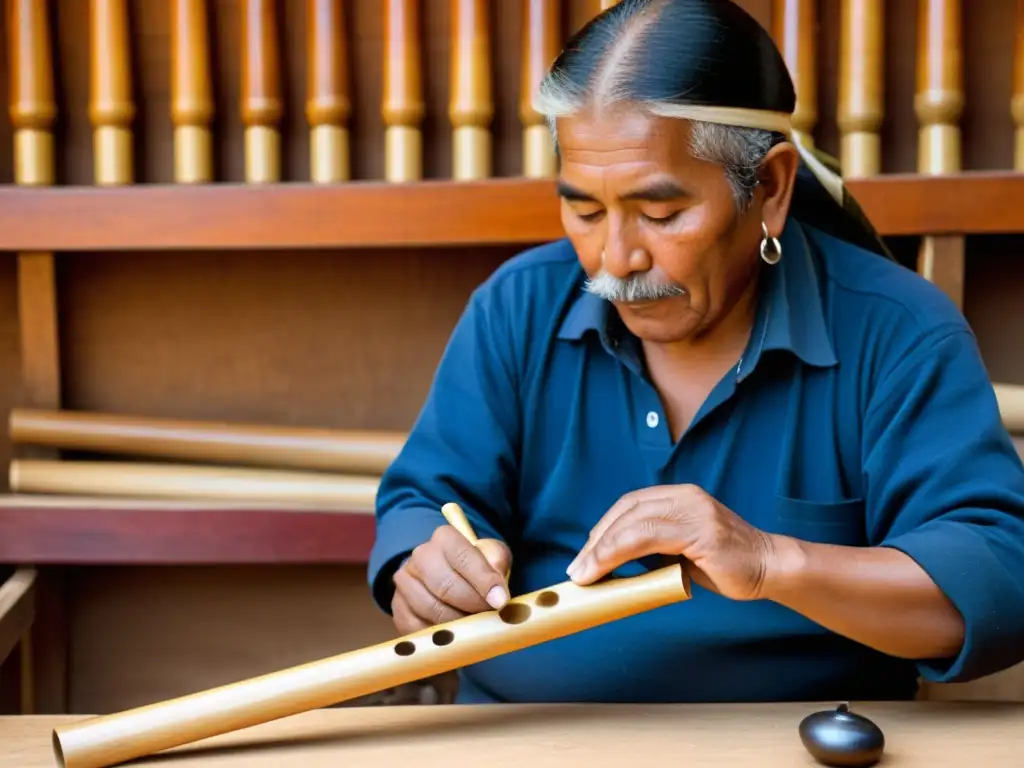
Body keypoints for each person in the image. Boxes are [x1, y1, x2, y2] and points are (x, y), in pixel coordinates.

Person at [367, 0, 1024, 704]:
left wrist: (771, 561)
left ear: (768, 188)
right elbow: (423, 499)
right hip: (517, 736)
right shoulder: (518, 307)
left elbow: (999, 579)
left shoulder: (895, 330)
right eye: (584, 210)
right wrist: (425, 565)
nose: (615, 259)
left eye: (661, 213)